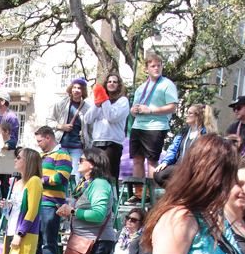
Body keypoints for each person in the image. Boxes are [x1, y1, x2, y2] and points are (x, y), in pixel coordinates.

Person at [129, 54, 179, 185]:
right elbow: (134, 108)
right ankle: (139, 194)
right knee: (137, 160)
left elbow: (172, 107)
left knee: (151, 161)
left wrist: (150, 110)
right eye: (153, 66)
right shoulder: (141, 87)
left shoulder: (167, 85)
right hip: (138, 126)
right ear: (146, 69)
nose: (156, 68)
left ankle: (150, 194)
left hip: (155, 127)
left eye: (159, 65)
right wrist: (133, 110)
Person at [34, 125, 72, 254]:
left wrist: (40, 180)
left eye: (39, 141)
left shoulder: (62, 154)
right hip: (38, 203)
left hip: (51, 204)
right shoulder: (41, 156)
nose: (38, 144)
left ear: (48, 137)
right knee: (36, 239)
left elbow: (62, 177)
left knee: (48, 240)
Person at [154, 103, 216, 188]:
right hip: (179, 165)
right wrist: (165, 161)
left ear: (199, 116)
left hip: (194, 168)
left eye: (190, 113)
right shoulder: (183, 132)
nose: (186, 115)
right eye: (187, 112)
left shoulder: (206, 134)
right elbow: (173, 148)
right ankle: (180, 193)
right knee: (159, 174)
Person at [83, 73, 129, 182]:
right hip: (97, 142)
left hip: (111, 144)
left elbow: (112, 117)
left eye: (114, 82)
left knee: (110, 176)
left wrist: (104, 100)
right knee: (95, 176)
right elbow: (87, 119)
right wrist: (96, 104)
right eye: (109, 81)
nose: (111, 84)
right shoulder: (100, 101)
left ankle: (113, 198)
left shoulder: (122, 101)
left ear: (119, 85)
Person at [46, 78, 91, 183]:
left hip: (77, 146)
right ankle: (62, 197)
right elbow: (49, 120)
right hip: (61, 144)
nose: (76, 90)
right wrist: (60, 126)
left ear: (83, 91)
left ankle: (75, 197)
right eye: (74, 87)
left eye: (79, 88)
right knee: (61, 172)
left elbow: (90, 129)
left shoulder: (87, 108)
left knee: (76, 173)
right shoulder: (61, 104)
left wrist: (89, 144)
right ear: (70, 89)